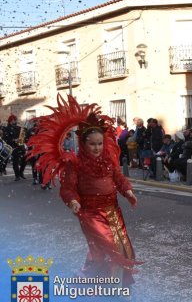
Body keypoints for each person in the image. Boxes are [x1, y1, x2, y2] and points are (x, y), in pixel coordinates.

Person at [28, 95, 141, 285]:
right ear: (83, 143)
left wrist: (127, 191)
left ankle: (105, 278)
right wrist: (72, 200)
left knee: (122, 248)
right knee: (111, 248)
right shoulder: (76, 164)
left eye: (100, 143)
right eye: (92, 144)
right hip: (90, 213)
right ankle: (111, 285)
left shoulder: (108, 161)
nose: (97, 148)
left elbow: (118, 178)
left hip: (113, 211)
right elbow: (68, 188)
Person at [4, 114, 27, 181]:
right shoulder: (7, 129)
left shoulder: (18, 127)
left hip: (20, 145)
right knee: (15, 162)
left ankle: (21, 173)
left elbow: (23, 136)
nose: (16, 121)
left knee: (25, 159)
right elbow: (6, 139)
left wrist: (24, 132)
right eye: (14, 120)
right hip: (13, 147)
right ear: (11, 121)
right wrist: (14, 140)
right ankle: (17, 176)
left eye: (15, 120)